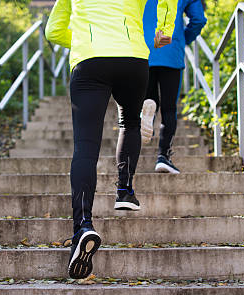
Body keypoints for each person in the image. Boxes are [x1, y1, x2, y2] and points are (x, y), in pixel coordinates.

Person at [46, 0, 177, 279]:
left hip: (90, 59)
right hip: (133, 59)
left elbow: (53, 32)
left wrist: (83, 41)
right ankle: (124, 190)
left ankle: (83, 225)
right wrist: (163, 29)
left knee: (85, 147)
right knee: (130, 122)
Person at [142, 0, 207, 174]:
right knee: (169, 108)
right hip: (170, 49)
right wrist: (185, 38)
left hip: (142, 50)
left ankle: (130, 156)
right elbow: (198, 19)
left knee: (148, 101)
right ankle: (163, 157)